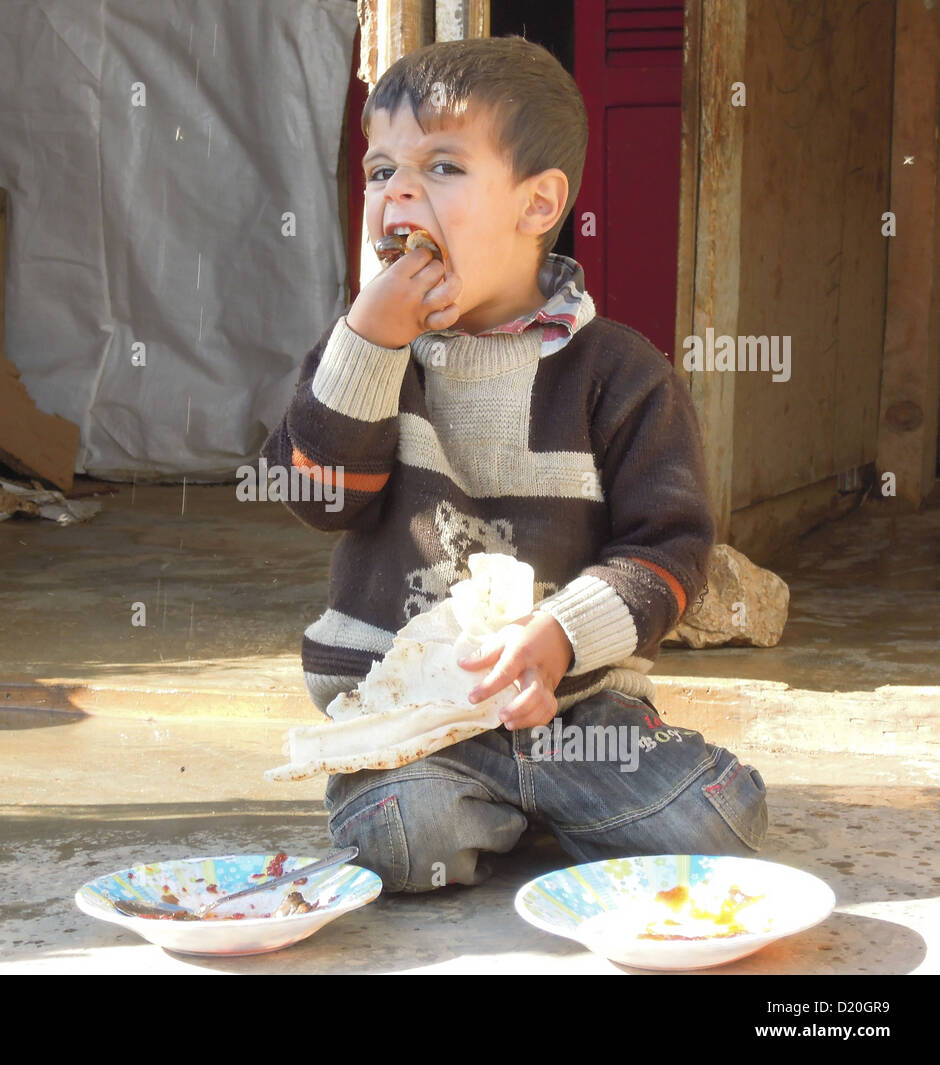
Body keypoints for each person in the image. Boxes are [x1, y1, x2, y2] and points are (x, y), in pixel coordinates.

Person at [258, 36, 768, 892]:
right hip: (407, 715)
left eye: (443, 166)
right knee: (400, 837)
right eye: (381, 171)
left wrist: (564, 635)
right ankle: (488, 806)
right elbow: (317, 496)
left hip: (577, 713)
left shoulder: (620, 374)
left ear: (538, 206)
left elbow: (669, 551)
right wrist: (367, 342)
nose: (399, 195)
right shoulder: (369, 355)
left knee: (719, 818)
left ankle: (530, 802)